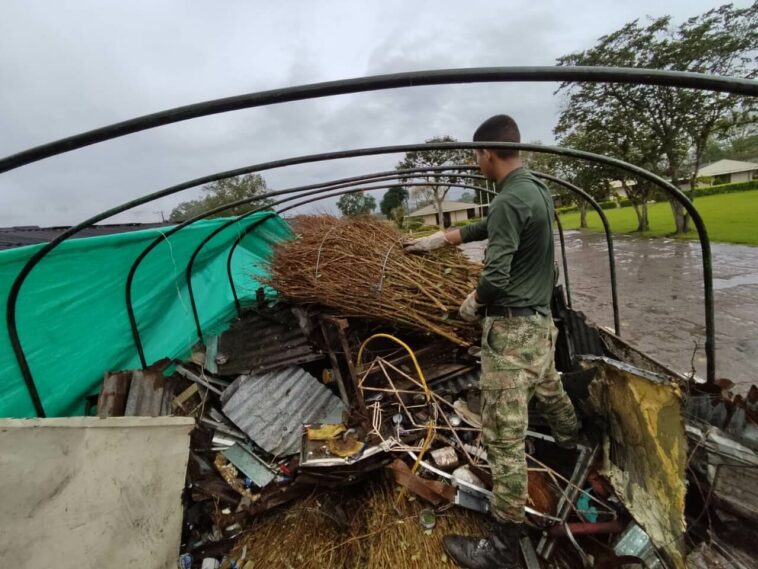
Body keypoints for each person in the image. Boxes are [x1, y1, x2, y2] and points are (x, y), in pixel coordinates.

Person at [405, 115, 579, 569]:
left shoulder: (509, 200)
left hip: (512, 334)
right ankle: (574, 449)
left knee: (503, 439)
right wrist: (444, 238)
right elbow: (495, 225)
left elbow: (496, 276)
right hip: (541, 326)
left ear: (485, 153)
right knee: (551, 391)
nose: (472, 161)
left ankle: (502, 547)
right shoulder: (534, 189)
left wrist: (474, 301)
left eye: (473, 154)